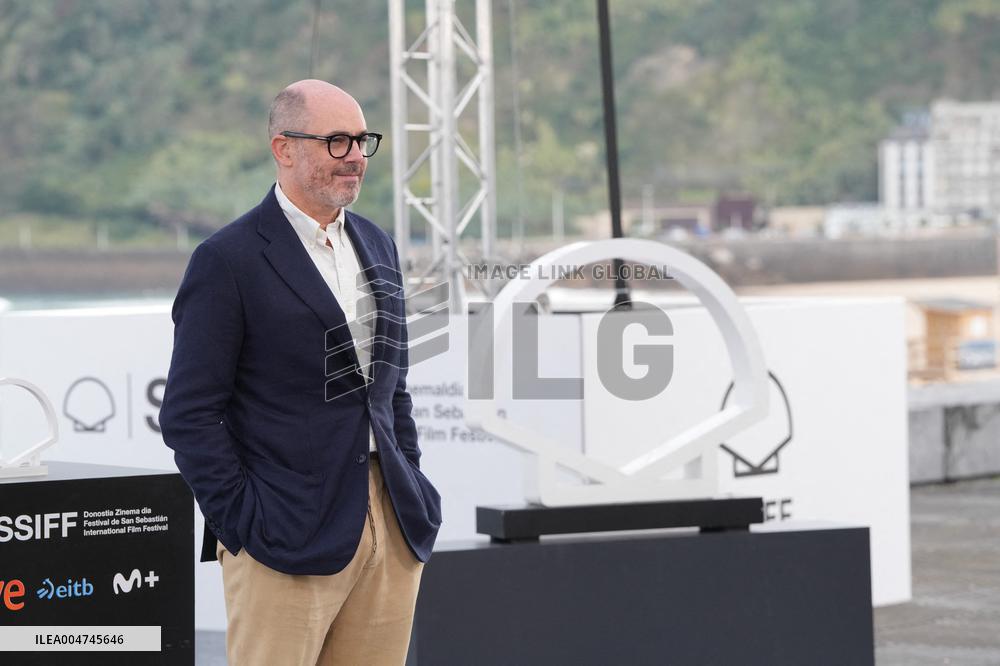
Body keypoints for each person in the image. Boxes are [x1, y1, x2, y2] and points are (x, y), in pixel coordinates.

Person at [159, 79, 442, 666]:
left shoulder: (376, 243)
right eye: (337, 142)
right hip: (279, 530)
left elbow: (393, 390)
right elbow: (188, 415)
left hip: (389, 523)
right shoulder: (227, 259)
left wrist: (408, 480)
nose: (357, 157)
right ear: (284, 148)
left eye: (363, 141)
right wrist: (243, 522)